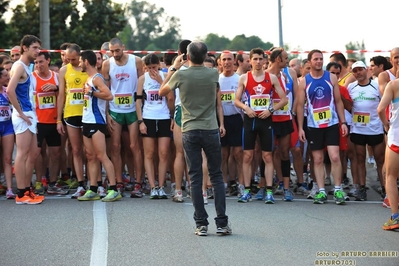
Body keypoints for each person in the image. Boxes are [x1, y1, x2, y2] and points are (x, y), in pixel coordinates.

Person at [159, 41, 231, 236]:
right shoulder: (213, 74)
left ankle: (201, 223)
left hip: (189, 129)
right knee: (216, 176)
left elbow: (162, 91)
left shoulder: (181, 74)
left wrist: (174, 67)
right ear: (206, 55)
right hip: (210, 128)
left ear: (187, 56)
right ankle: (222, 223)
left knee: (195, 177)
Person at [234, 48, 288, 204]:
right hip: (250, 120)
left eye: (260, 59)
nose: (258, 62)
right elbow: (236, 100)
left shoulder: (271, 78)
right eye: (255, 59)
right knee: (248, 156)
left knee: (267, 156)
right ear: (250, 61)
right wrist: (246, 108)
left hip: (266, 120)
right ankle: (246, 190)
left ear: (265, 61)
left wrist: (270, 110)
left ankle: (269, 191)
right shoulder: (244, 78)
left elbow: (283, 100)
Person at [297, 49, 348, 205]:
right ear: (310, 61)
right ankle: (321, 191)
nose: (319, 61)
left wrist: (343, 122)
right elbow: (300, 105)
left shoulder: (331, 77)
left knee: (334, 156)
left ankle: (338, 189)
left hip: (331, 123)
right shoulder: (304, 81)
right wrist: (300, 128)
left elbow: (338, 102)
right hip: (313, 125)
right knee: (318, 159)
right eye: (316, 59)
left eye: (321, 59)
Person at [102, 37, 144, 197]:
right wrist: (106, 113)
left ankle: (138, 183)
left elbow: (142, 85)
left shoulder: (136, 61)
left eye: (117, 50)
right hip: (115, 109)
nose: (114, 54)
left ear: (123, 47)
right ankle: (118, 181)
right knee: (115, 146)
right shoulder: (107, 64)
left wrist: (142, 111)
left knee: (134, 146)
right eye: (111, 51)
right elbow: (106, 90)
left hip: (133, 109)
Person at [78, 50, 122, 202]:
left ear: (86, 62)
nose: (79, 63)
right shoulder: (89, 78)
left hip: (97, 121)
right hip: (87, 120)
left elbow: (109, 95)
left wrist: (92, 94)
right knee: (91, 157)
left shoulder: (97, 78)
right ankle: (93, 189)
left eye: (80, 61)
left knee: (102, 156)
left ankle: (113, 188)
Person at [7, 35, 43, 204]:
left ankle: (27, 189)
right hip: (24, 115)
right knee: (22, 154)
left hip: (30, 113)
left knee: (33, 152)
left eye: (38, 48)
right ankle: (21, 194)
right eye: (35, 48)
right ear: (25, 48)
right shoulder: (19, 66)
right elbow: (9, 90)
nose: (38, 51)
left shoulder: (27, 67)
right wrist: (20, 112)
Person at [31, 51, 68, 196]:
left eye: (41, 62)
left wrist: (56, 88)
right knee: (38, 152)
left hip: (54, 121)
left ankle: (52, 183)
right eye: (36, 62)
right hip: (38, 122)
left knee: (56, 153)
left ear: (48, 61)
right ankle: (39, 182)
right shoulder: (32, 78)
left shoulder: (56, 77)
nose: (38, 65)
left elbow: (64, 94)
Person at [347, 61, 385, 201]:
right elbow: (347, 104)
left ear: (366, 70)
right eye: (355, 71)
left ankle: (385, 188)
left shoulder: (376, 85)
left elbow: (384, 104)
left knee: (380, 160)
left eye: (360, 70)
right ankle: (361, 188)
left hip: (375, 128)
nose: (358, 73)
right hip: (358, 129)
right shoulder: (351, 87)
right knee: (360, 158)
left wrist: (385, 124)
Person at [135, 53, 170, 199]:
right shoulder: (142, 79)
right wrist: (140, 121)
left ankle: (161, 186)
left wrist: (161, 80)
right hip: (148, 117)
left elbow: (170, 96)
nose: (152, 71)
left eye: (154, 67)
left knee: (163, 153)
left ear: (159, 65)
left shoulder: (166, 75)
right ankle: (152, 186)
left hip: (164, 116)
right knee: (149, 154)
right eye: (149, 68)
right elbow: (137, 100)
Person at [56, 43, 88, 198]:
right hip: (70, 114)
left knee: (90, 151)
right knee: (75, 150)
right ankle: (80, 183)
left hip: (88, 114)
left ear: (80, 56)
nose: (70, 62)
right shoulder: (63, 70)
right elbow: (61, 95)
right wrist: (58, 120)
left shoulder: (86, 69)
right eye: (68, 59)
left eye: (73, 59)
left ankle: (93, 182)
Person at [378, 78, 399, 230]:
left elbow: (380, 109)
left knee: (390, 176)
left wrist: (386, 123)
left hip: (396, 137)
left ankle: (396, 217)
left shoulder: (393, 85)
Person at [0, 67, 15, 199]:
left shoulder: (7, 91)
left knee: (7, 158)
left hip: (8, 126)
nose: (8, 77)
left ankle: (10, 189)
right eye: (5, 76)